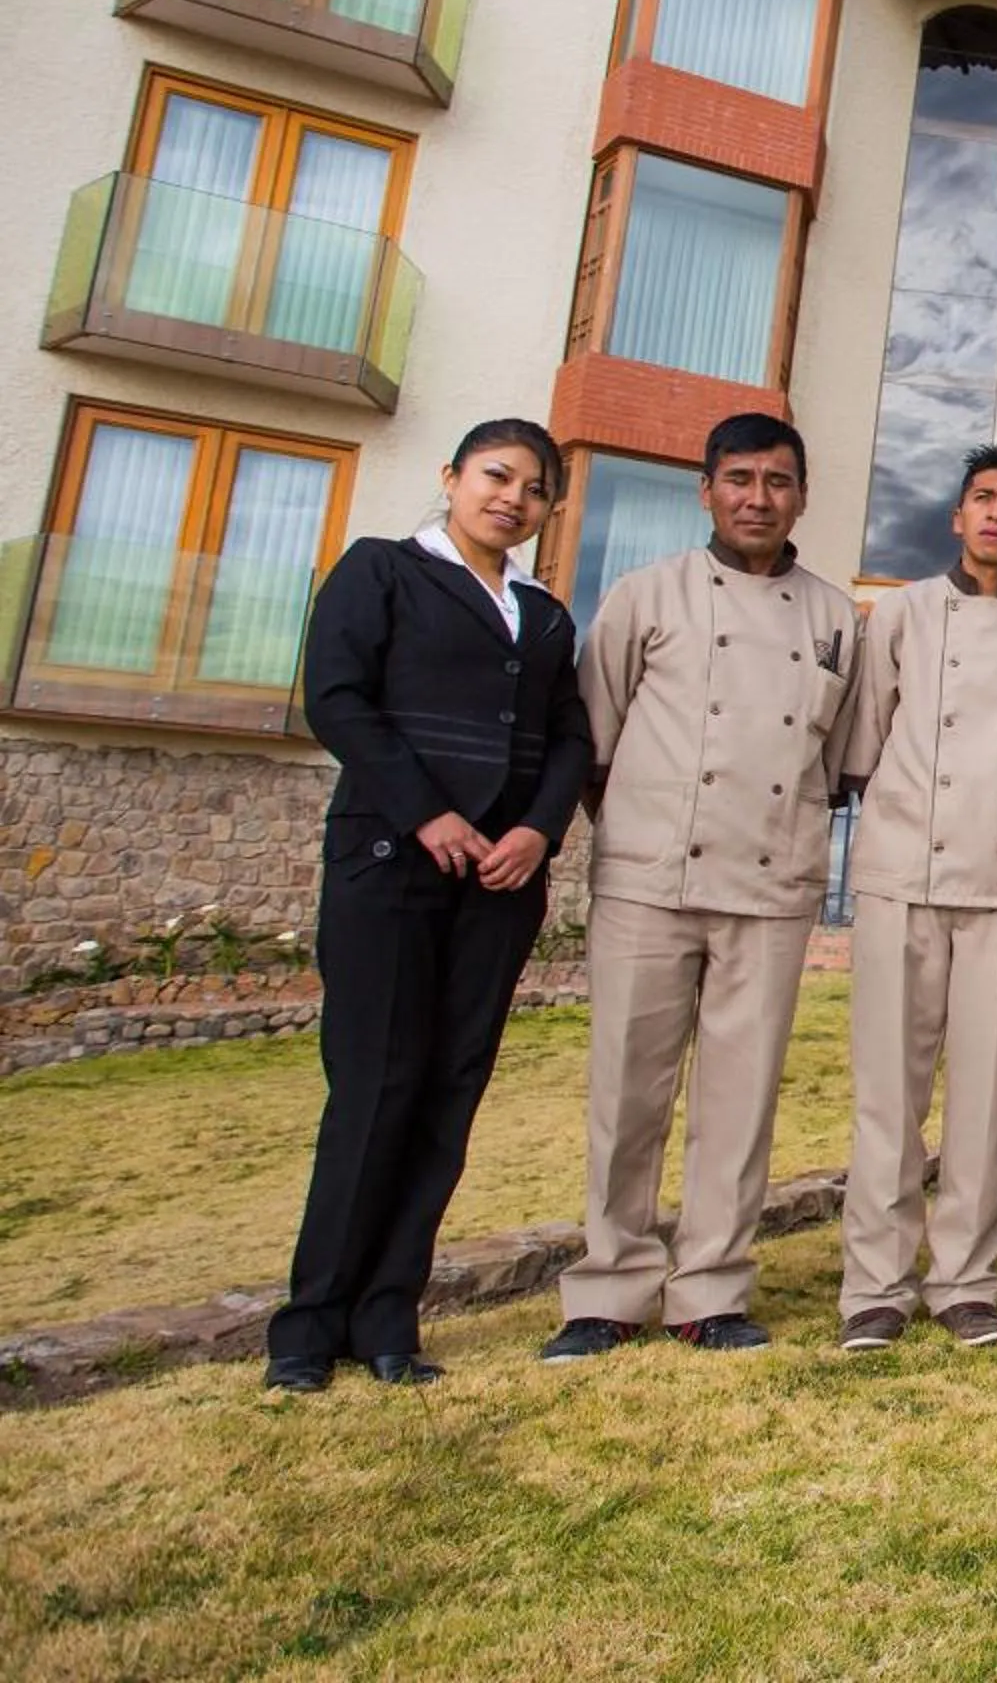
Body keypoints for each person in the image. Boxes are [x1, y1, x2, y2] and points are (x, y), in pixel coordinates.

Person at [263, 421, 592, 1392]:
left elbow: (567, 735)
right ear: (452, 478)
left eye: (535, 488)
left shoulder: (544, 614)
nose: (513, 498)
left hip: (499, 884)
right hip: (389, 864)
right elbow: (338, 699)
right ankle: (308, 1325)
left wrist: (538, 831)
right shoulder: (382, 571)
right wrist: (428, 813)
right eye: (497, 476)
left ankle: (389, 1317)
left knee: (450, 1092)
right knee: (375, 1086)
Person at [542, 415, 860, 1361]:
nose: (757, 497)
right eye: (739, 479)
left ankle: (712, 1288)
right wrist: (644, 834)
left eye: (776, 481)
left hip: (770, 883)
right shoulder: (644, 597)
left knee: (740, 1094)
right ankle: (608, 1287)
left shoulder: (836, 617)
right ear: (706, 489)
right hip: (650, 878)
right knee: (627, 1090)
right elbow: (593, 743)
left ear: (803, 494)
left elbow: (834, 764)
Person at [834, 442, 997, 1352]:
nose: (996, 514)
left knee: (988, 1092)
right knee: (888, 1093)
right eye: (982, 498)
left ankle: (966, 1281)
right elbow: (864, 743)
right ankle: (874, 1285)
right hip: (905, 869)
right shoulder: (899, 616)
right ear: (957, 515)